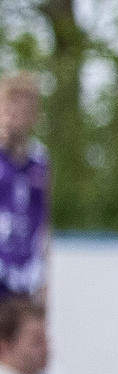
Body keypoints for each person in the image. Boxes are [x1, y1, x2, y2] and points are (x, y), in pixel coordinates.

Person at [0, 72, 48, 304]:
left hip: (25, 276)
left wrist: (46, 278)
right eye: (9, 108)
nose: (13, 116)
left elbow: (45, 224)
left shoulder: (40, 161)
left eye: (21, 110)